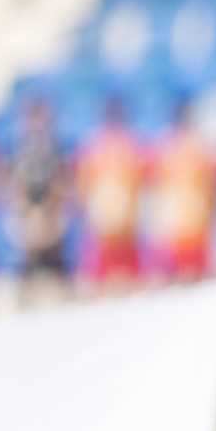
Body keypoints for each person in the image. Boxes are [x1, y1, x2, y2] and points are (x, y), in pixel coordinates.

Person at [74, 98, 145, 290]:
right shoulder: (98, 145)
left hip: (118, 219)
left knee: (121, 271)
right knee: (110, 271)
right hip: (108, 218)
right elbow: (84, 184)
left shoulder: (127, 144)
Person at [149, 102, 216, 281]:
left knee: (193, 265)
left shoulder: (195, 145)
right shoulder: (169, 144)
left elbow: (208, 181)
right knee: (181, 265)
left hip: (191, 208)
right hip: (181, 209)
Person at [9, 97, 70, 297]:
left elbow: (61, 183)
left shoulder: (54, 149)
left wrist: (51, 209)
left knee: (57, 273)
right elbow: (15, 185)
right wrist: (25, 211)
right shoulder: (20, 150)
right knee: (26, 272)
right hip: (30, 215)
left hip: (49, 215)